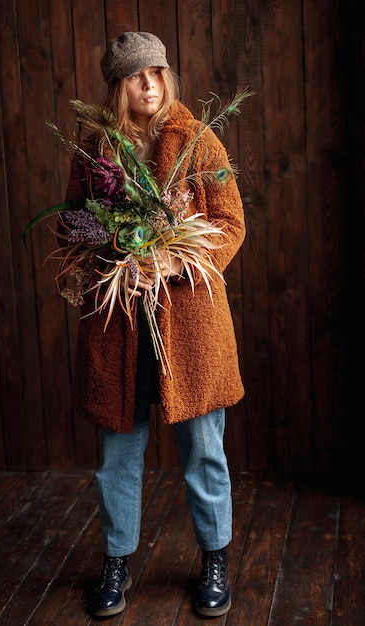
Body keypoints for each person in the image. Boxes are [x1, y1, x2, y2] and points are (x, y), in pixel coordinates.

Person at [64, 31, 245, 618]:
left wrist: (175, 259)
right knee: (117, 457)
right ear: (118, 87)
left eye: (158, 73)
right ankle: (116, 563)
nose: (151, 85)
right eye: (137, 77)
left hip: (190, 327)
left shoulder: (199, 142)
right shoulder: (95, 150)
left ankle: (215, 556)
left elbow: (230, 222)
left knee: (204, 451)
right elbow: (70, 227)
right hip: (119, 328)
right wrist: (118, 255)